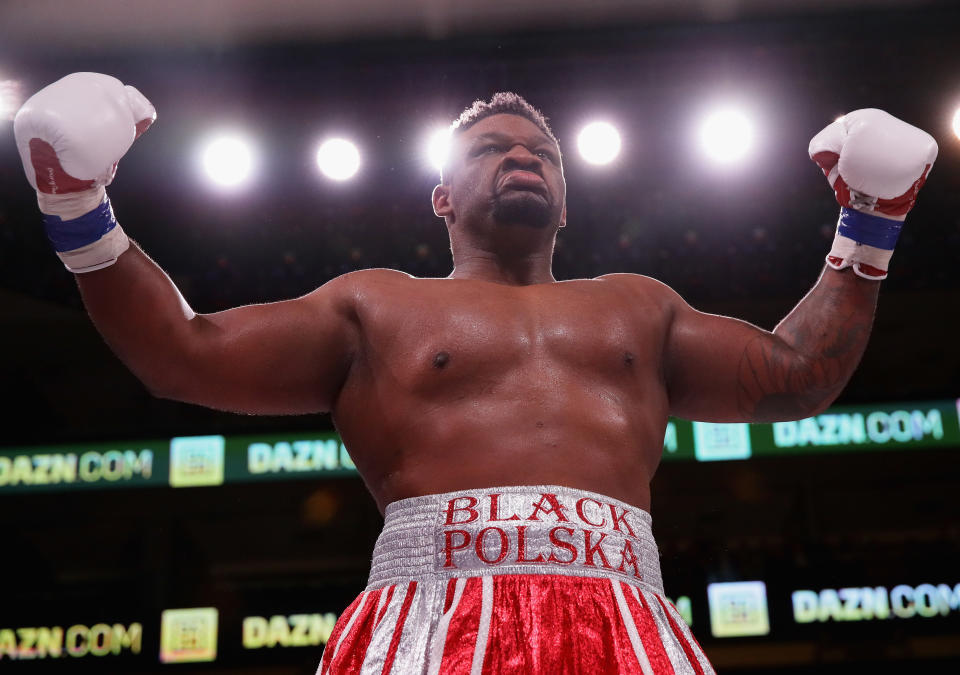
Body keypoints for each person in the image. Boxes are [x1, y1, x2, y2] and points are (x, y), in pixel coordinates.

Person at [14, 74, 937, 674]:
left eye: (541, 153)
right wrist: (78, 209)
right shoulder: (373, 305)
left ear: (567, 202)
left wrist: (869, 230)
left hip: (628, 616)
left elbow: (798, 377)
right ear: (442, 196)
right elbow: (186, 352)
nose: (523, 155)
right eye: (493, 148)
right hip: (429, 616)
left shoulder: (640, 306)